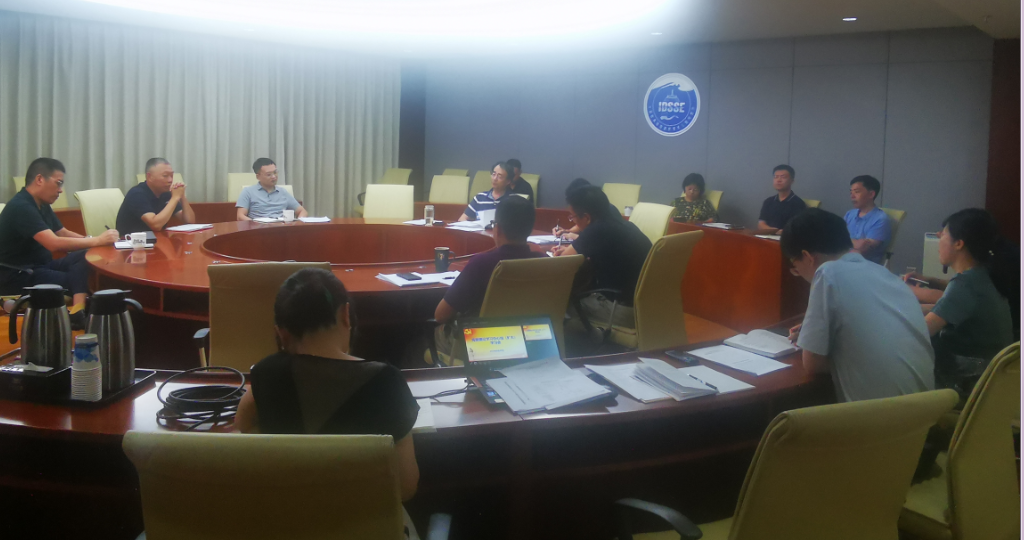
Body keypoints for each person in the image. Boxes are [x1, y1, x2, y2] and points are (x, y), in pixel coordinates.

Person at [235, 268, 420, 499]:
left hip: (289, 516)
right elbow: (406, 486)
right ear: (345, 315)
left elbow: (241, 425)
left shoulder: (266, 373)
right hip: (364, 518)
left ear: (281, 334)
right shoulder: (386, 381)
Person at [783, 208, 934, 403]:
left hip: (880, 416)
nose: (798, 273)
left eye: (795, 267)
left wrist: (816, 344)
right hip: (927, 409)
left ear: (808, 257)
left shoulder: (827, 272)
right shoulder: (884, 273)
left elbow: (812, 363)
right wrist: (814, 334)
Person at [902, 209, 1014, 391]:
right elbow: (948, 306)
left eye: (944, 233)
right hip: (991, 379)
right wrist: (929, 283)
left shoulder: (965, 284)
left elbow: (921, 332)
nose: (938, 237)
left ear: (959, 243)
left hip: (967, 383)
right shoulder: (985, 274)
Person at [0, 158, 119, 318]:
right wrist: (98, 240)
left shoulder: (41, 203)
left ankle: (77, 311)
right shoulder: (21, 207)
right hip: (19, 274)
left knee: (86, 256)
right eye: (58, 183)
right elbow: (53, 243)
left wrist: (93, 242)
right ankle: (78, 314)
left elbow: (62, 232)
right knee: (83, 280)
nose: (61, 190)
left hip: (42, 266)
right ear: (40, 179)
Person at [433, 196, 544, 357]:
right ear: (530, 229)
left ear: (497, 229)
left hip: (483, 347)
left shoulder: (481, 263)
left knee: (415, 345)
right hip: (531, 344)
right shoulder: (543, 262)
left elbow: (440, 315)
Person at [552, 185, 652, 329]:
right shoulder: (626, 225)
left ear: (586, 217)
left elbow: (562, 262)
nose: (573, 221)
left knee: (560, 304)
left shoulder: (596, 230)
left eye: (572, 217)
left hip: (622, 310)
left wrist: (563, 252)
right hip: (647, 307)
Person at [116, 158, 196, 235]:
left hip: (157, 239)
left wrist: (182, 196)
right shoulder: (137, 194)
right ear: (149, 177)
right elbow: (156, 225)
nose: (170, 180)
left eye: (172, 175)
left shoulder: (166, 194)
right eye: (165, 176)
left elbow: (190, 222)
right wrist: (175, 198)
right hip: (133, 241)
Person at [236, 158, 307, 221]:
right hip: (259, 228)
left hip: (281, 228)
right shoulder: (248, 192)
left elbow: (302, 211)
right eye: (269, 174)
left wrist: (297, 223)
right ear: (258, 177)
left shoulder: (283, 192)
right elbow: (240, 216)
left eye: (275, 172)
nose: (274, 177)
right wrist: (255, 224)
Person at [551, 178, 622, 241]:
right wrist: (567, 231)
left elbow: (596, 240)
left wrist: (577, 238)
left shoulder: (606, 214)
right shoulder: (598, 210)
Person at [843, 175, 891, 264]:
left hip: (865, 265)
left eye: (857, 192)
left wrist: (843, 241)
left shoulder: (881, 219)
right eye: (851, 192)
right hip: (843, 260)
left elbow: (862, 251)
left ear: (871, 194)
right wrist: (856, 243)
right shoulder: (850, 214)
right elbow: (836, 239)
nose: (852, 196)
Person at [757, 164, 806, 233]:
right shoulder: (768, 201)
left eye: (783, 177)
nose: (778, 180)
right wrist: (775, 231)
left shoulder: (798, 203)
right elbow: (761, 224)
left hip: (786, 238)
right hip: (767, 235)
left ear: (792, 181)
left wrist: (778, 232)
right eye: (776, 177)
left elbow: (796, 229)